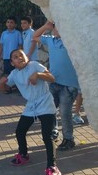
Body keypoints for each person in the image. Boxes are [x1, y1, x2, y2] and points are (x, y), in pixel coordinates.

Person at [0, 49, 62, 175]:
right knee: (20, 131)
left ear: (26, 57)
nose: (19, 58)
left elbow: (51, 77)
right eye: (15, 57)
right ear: (12, 62)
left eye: (21, 55)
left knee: (47, 136)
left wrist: (38, 74)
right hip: (31, 106)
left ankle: (52, 167)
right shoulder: (14, 74)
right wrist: (2, 83)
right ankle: (23, 155)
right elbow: (5, 89)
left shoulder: (34, 65)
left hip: (45, 103)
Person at [33, 20, 80, 151]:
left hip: (69, 86)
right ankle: (54, 132)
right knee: (50, 109)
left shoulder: (71, 42)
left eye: (57, 27)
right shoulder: (51, 40)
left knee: (65, 113)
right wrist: (45, 26)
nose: (54, 29)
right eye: (54, 27)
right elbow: (34, 36)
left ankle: (69, 139)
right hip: (54, 83)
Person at [0, 16, 23, 93]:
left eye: (11, 22)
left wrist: (19, 56)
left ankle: (17, 88)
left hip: (15, 58)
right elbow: (1, 45)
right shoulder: (4, 33)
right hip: (6, 57)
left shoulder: (18, 33)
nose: (9, 24)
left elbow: (20, 45)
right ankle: (8, 88)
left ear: (15, 24)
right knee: (7, 73)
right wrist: (0, 55)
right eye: (8, 22)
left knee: (16, 72)